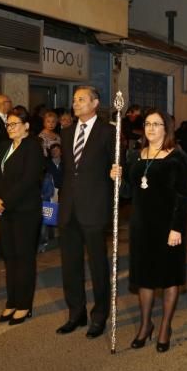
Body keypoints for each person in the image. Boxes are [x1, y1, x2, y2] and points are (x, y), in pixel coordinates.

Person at [111, 109, 187, 352]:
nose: (151, 128)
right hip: (141, 227)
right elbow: (128, 193)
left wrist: (176, 228)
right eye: (147, 124)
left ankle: (165, 326)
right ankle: (146, 325)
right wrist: (118, 179)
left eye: (157, 124)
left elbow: (183, 197)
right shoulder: (136, 156)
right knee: (144, 278)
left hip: (168, 228)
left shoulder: (177, 157)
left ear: (166, 128)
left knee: (168, 278)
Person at [56, 85, 117, 338]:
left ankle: (99, 315)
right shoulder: (67, 132)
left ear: (95, 103)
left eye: (81, 99)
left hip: (94, 207)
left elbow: (116, 164)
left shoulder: (108, 132)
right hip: (69, 207)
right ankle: (75, 313)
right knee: (70, 265)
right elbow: (70, 171)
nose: (75, 103)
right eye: (74, 99)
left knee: (98, 265)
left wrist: (117, 173)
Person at [0, 109, 44, 325]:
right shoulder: (3, 147)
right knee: (10, 257)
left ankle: (24, 305)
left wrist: (5, 202)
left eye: (14, 124)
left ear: (26, 126)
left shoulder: (33, 147)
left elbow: (28, 180)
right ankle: (11, 302)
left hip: (25, 211)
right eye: (8, 125)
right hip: (4, 211)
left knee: (24, 258)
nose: (10, 128)